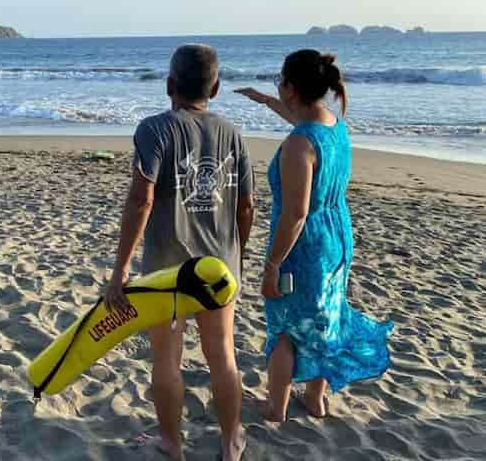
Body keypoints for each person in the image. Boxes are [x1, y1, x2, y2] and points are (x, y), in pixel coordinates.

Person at [104, 45, 253, 461]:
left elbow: (140, 201)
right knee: (222, 354)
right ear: (217, 88)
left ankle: (172, 442)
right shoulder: (233, 133)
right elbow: (247, 206)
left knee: (166, 358)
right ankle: (230, 441)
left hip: (167, 270)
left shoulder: (154, 129)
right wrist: (237, 253)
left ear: (169, 85)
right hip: (219, 267)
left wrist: (120, 271)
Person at [235, 50, 393, 422]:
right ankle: (316, 400)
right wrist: (264, 100)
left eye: (280, 81)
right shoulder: (333, 125)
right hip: (338, 236)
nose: (277, 87)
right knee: (326, 317)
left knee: (286, 326)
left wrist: (272, 264)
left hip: (306, 245)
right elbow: (299, 118)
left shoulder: (298, 146)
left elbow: (296, 214)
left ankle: (277, 406)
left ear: (292, 87)